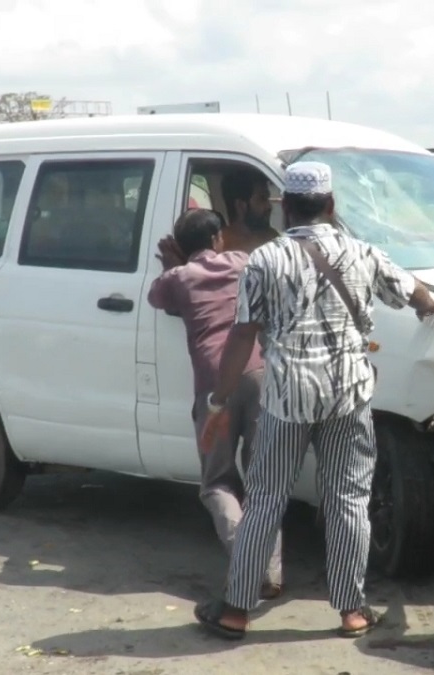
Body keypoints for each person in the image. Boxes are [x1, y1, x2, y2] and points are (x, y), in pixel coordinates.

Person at [192, 161, 434, 639]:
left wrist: (219, 403)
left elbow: (243, 335)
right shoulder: (362, 252)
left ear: (285, 207)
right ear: (331, 205)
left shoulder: (264, 260)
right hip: (347, 392)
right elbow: (416, 295)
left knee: (266, 498)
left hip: (287, 396)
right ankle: (351, 609)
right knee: (349, 499)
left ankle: (236, 610)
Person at [146, 209, 283, 599]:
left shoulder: (177, 279)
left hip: (213, 386)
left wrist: (176, 264)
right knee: (263, 481)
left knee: (217, 482)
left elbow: (157, 297)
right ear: (218, 239)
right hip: (258, 372)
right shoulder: (242, 261)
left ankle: (246, 560)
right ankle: (270, 572)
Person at [218, 169, 278, 253]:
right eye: (262, 199)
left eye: (267, 199)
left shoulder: (272, 237)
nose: (269, 206)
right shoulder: (221, 243)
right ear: (240, 206)